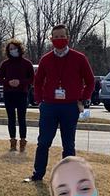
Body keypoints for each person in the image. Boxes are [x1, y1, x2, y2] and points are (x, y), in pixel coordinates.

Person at [25, 24, 95, 183]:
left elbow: (90, 81)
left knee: (68, 144)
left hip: (70, 107)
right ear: (51, 39)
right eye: (55, 37)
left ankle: (69, 177)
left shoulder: (79, 58)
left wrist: (83, 98)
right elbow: (38, 81)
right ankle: (37, 174)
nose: (58, 40)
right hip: (49, 106)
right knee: (43, 142)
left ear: (67, 38)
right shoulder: (46, 59)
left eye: (61, 36)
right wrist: (39, 99)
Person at [0, 39, 35, 152]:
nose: (13, 50)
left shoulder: (27, 63)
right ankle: (13, 142)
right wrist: (8, 82)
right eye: (10, 49)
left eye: (14, 48)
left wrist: (20, 82)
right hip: (8, 94)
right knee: (11, 119)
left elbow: (32, 79)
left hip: (22, 94)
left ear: (19, 48)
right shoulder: (5, 64)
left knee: (22, 118)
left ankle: (23, 142)